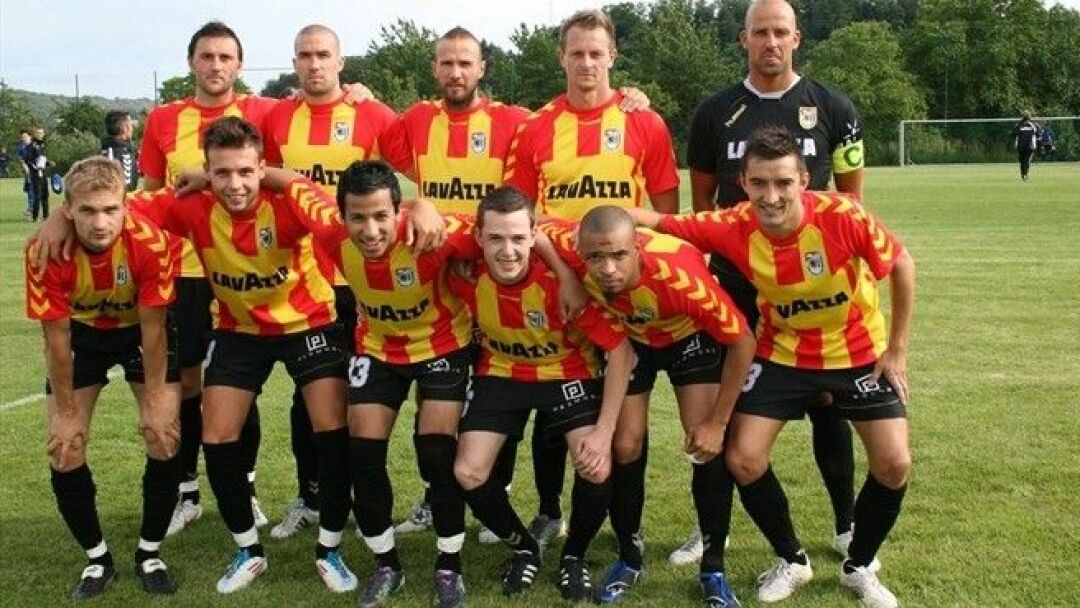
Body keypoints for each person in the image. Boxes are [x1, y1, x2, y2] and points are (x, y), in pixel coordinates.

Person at [378, 25, 653, 544]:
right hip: (470, 270)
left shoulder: (517, 122)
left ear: (483, 68)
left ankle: (590, 521)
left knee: (580, 409)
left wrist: (630, 97)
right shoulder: (416, 120)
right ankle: (462, 496)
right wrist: (418, 200)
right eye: (446, 62)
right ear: (434, 67)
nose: (456, 72)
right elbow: (377, 166)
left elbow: (531, 206)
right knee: (466, 393)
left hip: (569, 273)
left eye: (466, 62)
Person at [630, 126, 915, 608]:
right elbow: (660, 221)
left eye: (783, 182)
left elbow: (902, 263)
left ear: (804, 180)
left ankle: (859, 566)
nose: (771, 195)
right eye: (759, 183)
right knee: (743, 457)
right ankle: (792, 559)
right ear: (743, 182)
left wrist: (897, 350)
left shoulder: (843, 215)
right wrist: (574, 222)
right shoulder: (732, 224)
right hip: (782, 353)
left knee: (894, 463)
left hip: (858, 353)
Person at [673, 0, 864, 569]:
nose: (771, 42)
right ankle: (712, 529)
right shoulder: (714, 113)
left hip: (810, 287)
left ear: (797, 38)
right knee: (722, 407)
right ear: (744, 39)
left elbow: (852, 202)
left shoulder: (833, 106)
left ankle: (846, 525)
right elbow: (703, 208)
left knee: (828, 406)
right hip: (737, 287)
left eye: (781, 32)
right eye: (760, 32)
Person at [130, 117, 356, 594]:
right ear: (207, 172)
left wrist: (280, 179)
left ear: (262, 169)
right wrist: (59, 218)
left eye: (245, 172)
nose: (235, 184)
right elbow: (114, 206)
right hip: (239, 330)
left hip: (308, 324)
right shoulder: (191, 205)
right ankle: (249, 550)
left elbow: (339, 218)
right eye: (222, 173)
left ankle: (330, 549)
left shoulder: (290, 200)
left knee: (332, 434)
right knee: (217, 437)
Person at [542, 206, 756, 606]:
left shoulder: (681, 278)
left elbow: (743, 341)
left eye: (619, 255)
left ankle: (713, 569)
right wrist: (565, 274)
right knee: (625, 445)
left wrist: (718, 423)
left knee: (705, 446)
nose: (607, 269)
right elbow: (528, 225)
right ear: (579, 248)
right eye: (595, 258)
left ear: (637, 246)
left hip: (689, 336)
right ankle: (629, 556)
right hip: (632, 340)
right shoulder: (568, 242)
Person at [448, 187, 635, 602]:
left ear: (535, 234)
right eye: (496, 239)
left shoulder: (564, 279)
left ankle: (574, 555)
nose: (508, 251)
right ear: (478, 238)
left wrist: (604, 433)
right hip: (501, 372)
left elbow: (622, 352)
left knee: (596, 466)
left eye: (518, 238)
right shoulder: (463, 271)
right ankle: (524, 547)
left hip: (567, 372)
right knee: (468, 472)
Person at [313, 160, 474, 608]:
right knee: (363, 454)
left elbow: (507, 229)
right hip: (378, 350)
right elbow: (290, 183)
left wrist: (428, 205)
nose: (370, 230)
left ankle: (449, 565)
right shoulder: (327, 233)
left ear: (398, 211)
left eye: (381, 216)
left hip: (442, 347)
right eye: (358, 218)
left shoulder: (433, 232)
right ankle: (387, 565)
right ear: (341, 216)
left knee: (437, 450)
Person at [261, 23, 396, 541]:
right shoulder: (277, 116)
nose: (313, 64)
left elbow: (414, 174)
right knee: (308, 397)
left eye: (323, 55)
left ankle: (365, 499)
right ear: (294, 62)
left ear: (341, 61)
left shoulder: (372, 113)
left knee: (365, 394)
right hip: (301, 279)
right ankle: (312, 496)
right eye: (304, 55)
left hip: (363, 279)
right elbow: (253, 173)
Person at [140, 21, 274, 538]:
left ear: (239, 64)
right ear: (191, 62)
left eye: (225, 56)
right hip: (181, 275)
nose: (216, 65)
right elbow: (150, 192)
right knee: (186, 386)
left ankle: (246, 488)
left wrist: (357, 89)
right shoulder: (163, 118)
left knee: (240, 386)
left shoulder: (264, 112)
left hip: (240, 273)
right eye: (206, 56)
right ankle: (188, 490)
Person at [25, 157, 182, 599]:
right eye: (88, 211)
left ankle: (150, 553)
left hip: (138, 334)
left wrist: (156, 402)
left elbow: (154, 329)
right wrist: (66, 413)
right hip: (82, 336)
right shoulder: (44, 251)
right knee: (65, 447)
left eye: (111, 210)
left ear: (125, 206)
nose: (100, 223)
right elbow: (56, 338)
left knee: (163, 435)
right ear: (68, 210)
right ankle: (98, 559)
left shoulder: (149, 243)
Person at [101, 110, 139, 191]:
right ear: (124, 128)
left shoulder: (106, 149)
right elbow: (126, 188)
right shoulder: (120, 154)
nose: (132, 128)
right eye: (130, 125)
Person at [26, 127, 51, 221]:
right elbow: (28, 159)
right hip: (36, 173)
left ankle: (46, 215)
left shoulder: (44, 144)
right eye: (38, 133)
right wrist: (35, 167)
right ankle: (35, 216)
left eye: (41, 133)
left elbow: (43, 158)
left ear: (43, 134)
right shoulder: (32, 145)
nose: (40, 134)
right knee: (37, 194)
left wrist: (48, 163)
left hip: (43, 172)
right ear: (35, 134)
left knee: (45, 194)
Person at [16, 130, 37, 219]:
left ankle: (34, 210)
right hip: (28, 171)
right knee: (29, 190)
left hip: (36, 170)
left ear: (30, 136)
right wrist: (27, 170)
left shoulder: (35, 145)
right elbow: (22, 161)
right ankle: (31, 209)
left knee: (36, 190)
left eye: (25, 136)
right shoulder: (21, 148)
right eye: (22, 137)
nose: (23, 138)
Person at [1013, 114, 1039, 180]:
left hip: (1020, 146)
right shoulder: (1032, 125)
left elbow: (1014, 133)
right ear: (1029, 118)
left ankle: (1023, 174)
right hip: (1029, 146)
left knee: (1022, 161)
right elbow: (1037, 133)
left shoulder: (1019, 125)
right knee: (1026, 160)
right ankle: (1025, 174)